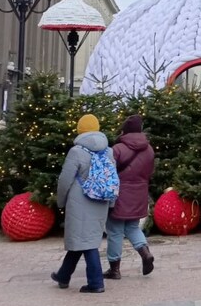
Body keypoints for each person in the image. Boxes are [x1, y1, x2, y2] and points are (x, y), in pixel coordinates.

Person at [51, 114, 115, 294]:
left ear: (80, 130)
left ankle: (96, 283)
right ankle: (63, 276)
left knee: (86, 242)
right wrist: (111, 202)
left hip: (80, 201)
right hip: (101, 200)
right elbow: (112, 179)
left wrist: (61, 201)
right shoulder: (108, 151)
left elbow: (65, 180)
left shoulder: (77, 152)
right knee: (85, 239)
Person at [104, 115, 156, 279]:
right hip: (140, 193)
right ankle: (145, 253)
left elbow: (109, 174)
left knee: (115, 231)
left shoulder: (117, 149)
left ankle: (115, 269)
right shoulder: (149, 149)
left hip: (120, 195)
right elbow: (150, 172)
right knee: (133, 227)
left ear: (124, 130)